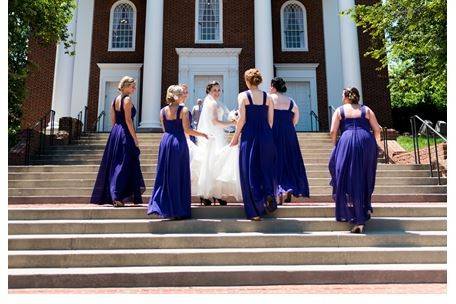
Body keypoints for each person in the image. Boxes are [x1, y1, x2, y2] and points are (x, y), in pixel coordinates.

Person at [148, 85, 208, 220]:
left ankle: (163, 206)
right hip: (178, 142)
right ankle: (178, 209)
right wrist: (202, 134)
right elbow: (187, 130)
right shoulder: (184, 110)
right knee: (179, 174)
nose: (184, 96)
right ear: (177, 96)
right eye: (182, 94)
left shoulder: (162, 111)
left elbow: (165, 129)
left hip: (165, 142)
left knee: (165, 174)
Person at [328, 87, 381, 233]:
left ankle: (357, 218)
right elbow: (377, 129)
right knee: (363, 177)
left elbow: (333, 131)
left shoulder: (339, 110)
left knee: (344, 175)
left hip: (346, 142)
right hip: (366, 142)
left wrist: (335, 146)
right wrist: (375, 145)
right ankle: (361, 213)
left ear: (346, 97)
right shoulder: (367, 110)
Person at [230, 68, 278, 221]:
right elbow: (271, 121)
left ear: (246, 81)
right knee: (265, 168)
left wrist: (235, 137)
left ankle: (254, 211)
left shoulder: (243, 96)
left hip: (249, 136)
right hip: (265, 135)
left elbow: (242, 119)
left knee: (249, 171)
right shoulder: (268, 97)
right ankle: (268, 197)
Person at [90, 76, 145, 207]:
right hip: (125, 133)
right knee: (123, 164)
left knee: (117, 163)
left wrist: (115, 134)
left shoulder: (114, 100)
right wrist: (135, 138)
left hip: (115, 133)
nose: (134, 88)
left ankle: (116, 195)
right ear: (126, 86)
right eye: (132, 86)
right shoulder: (127, 100)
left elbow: (113, 120)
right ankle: (117, 196)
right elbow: (128, 120)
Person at [194, 81, 240, 205]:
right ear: (209, 91)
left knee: (216, 165)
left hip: (217, 135)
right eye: (214, 90)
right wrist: (232, 123)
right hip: (213, 137)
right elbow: (215, 122)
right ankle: (208, 194)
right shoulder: (212, 103)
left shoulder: (212, 102)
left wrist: (231, 117)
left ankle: (215, 194)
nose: (217, 92)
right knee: (212, 165)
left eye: (219, 90)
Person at [269, 77, 310, 204]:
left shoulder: (269, 99)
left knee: (274, 161)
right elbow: (296, 119)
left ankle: (278, 191)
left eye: (271, 86)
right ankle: (288, 189)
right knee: (289, 161)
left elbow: (267, 117)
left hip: (273, 132)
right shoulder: (291, 101)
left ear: (273, 87)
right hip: (289, 133)